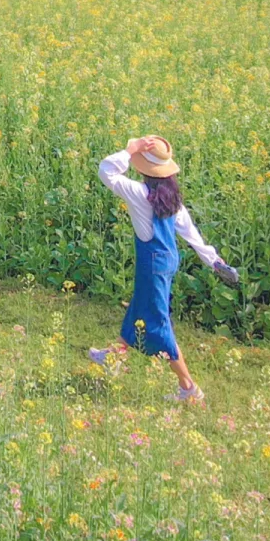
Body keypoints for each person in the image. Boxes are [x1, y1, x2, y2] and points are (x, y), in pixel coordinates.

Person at [91, 135, 239, 402]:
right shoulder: (171, 199)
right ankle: (113, 356)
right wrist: (215, 262)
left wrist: (130, 149)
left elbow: (106, 171)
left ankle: (188, 388)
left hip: (153, 264)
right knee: (140, 306)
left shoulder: (140, 194)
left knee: (158, 323)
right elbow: (191, 234)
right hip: (167, 260)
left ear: (144, 169)